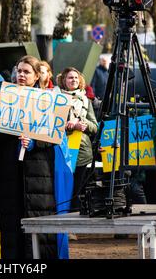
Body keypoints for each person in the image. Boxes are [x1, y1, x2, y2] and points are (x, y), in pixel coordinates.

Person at [0, 55, 72, 259]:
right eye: (19, 71)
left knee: (40, 220)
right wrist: (11, 132)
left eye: (26, 71)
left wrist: (35, 142)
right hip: (10, 171)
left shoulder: (48, 101)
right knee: (12, 224)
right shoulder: (6, 98)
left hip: (39, 172)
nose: (21, 75)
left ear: (37, 75)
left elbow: (55, 136)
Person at [57, 68, 98, 210]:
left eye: (76, 77)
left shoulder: (86, 101)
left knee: (78, 191)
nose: (73, 80)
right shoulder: (58, 99)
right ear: (64, 80)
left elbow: (95, 127)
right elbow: (51, 124)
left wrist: (83, 126)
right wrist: (69, 126)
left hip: (82, 153)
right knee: (64, 189)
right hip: (62, 150)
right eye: (70, 78)